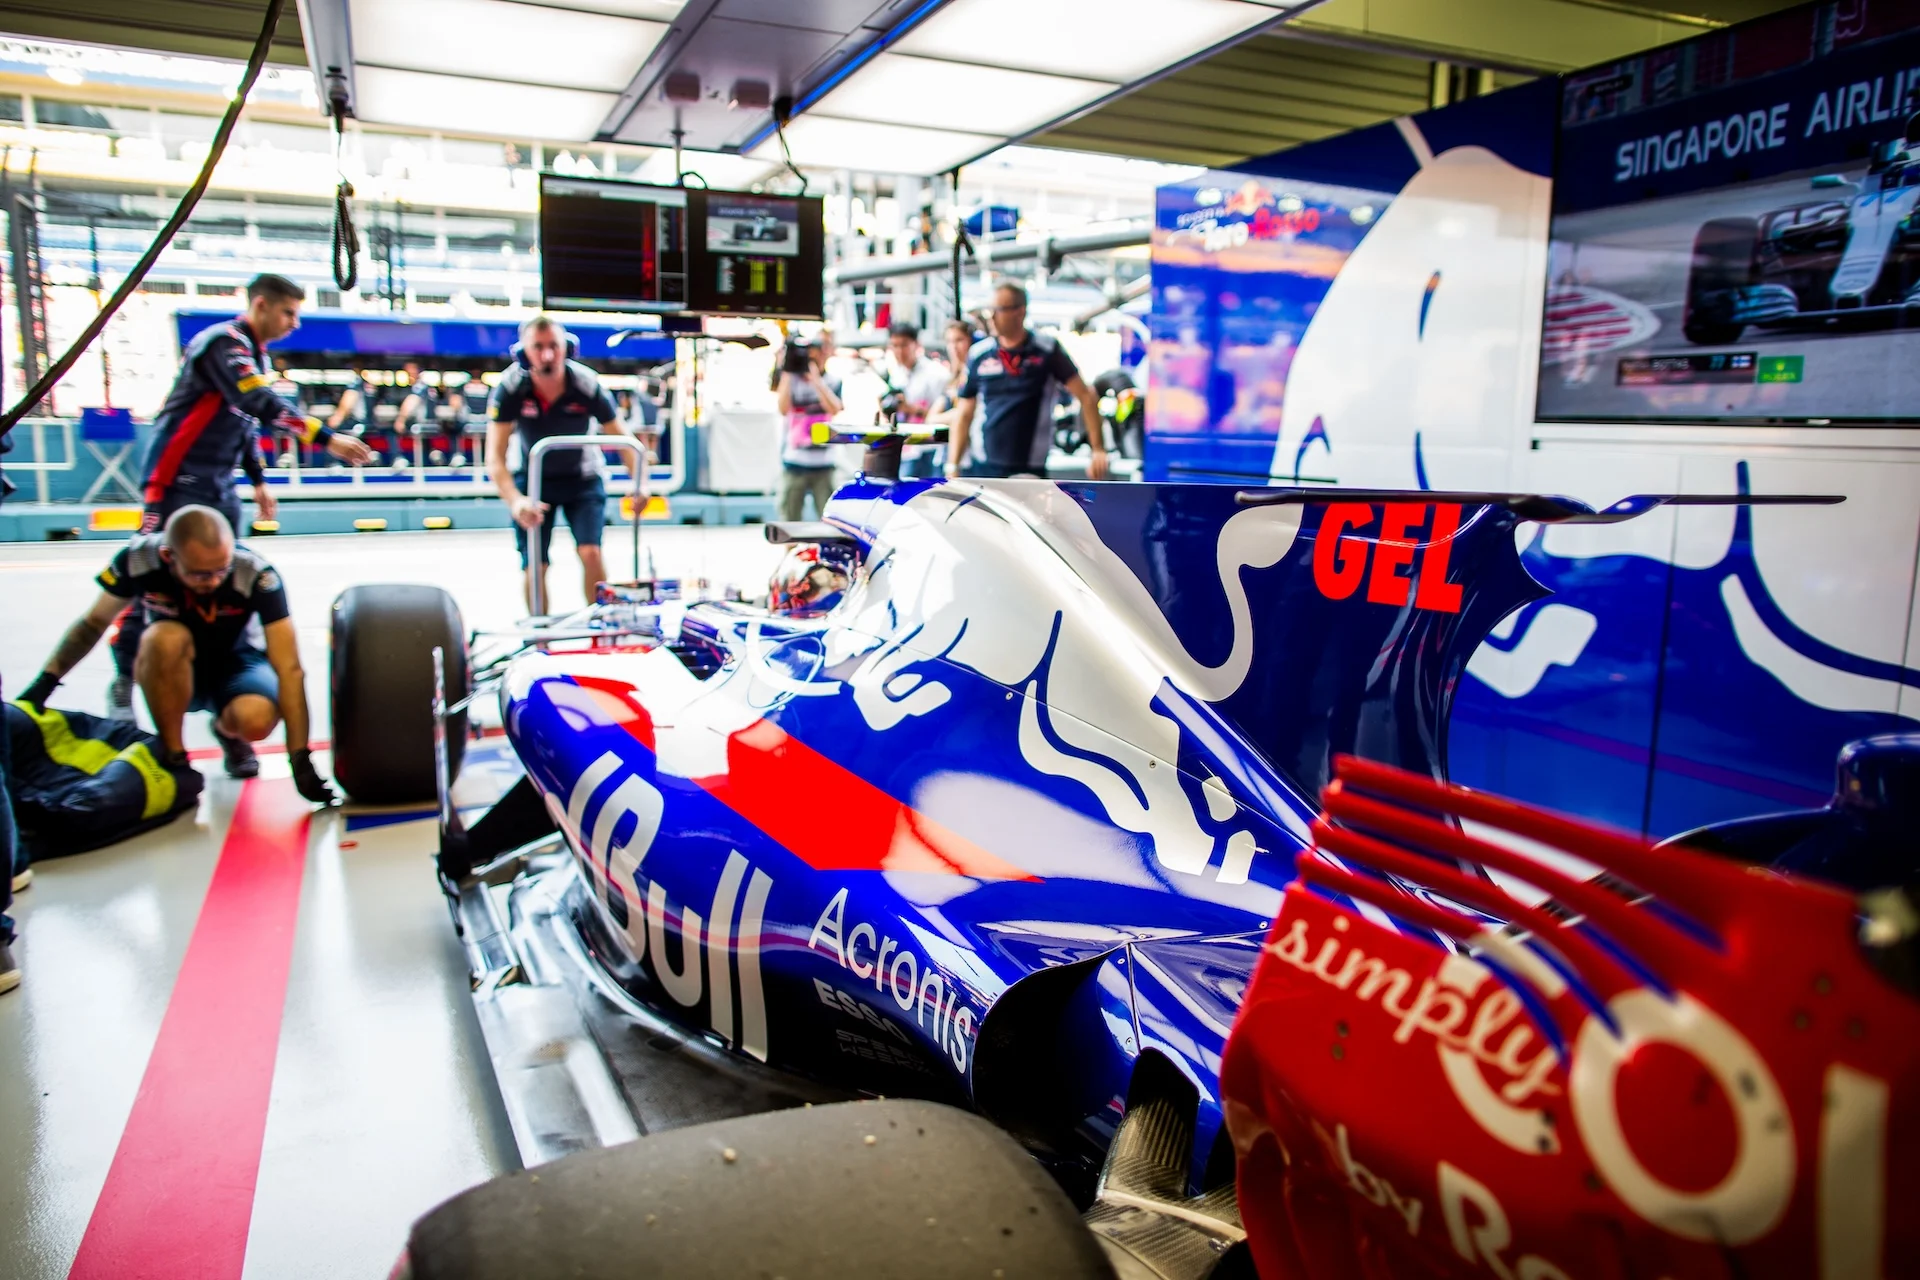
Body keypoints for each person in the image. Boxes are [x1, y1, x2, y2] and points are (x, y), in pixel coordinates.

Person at [112, 273, 372, 718]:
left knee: (224, 584)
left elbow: (243, 423)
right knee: (151, 584)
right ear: (260, 305)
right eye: (289, 312)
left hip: (218, 485)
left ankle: (225, 698)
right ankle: (125, 679)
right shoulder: (223, 343)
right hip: (174, 484)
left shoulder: (256, 355)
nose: (294, 323)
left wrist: (257, 479)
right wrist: (326, 438)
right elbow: (256, 402)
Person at [19, 506, 338, 802]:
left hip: (236, 663)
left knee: (256, 719)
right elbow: (93, 624)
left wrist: (300, 758)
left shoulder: (254, 572)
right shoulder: (137, 560)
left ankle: (227, 732)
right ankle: (174, 756)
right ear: (168, 556)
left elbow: (290, 668)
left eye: (220, 570)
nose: (213, 581)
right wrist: (46, 681)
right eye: (200, 574)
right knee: (164, 637)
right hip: (169, 666)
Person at [486, 315, 641, 612]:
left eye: (554, 346)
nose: (547, 355)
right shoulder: (510, 387)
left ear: (567, 348)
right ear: (523, 352)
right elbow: (495, 457)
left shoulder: (586, 383)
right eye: (538, 347)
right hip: (533, 482)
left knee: (591, 552)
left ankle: (602, 625)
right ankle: (538, 634)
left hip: (582, 479)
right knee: (535, 563)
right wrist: (516, 502)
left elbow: (624, 440)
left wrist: (640, 485)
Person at [946, 283, 1109, 482]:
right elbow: (964, 414)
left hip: (1030, 469)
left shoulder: (1047, 350)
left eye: (998, 310)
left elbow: (1087, 396)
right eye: (990, 311)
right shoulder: (979, 353)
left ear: (1019, 312)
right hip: (984, 467)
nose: (991, 317)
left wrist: (1098, 449)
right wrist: (952, 465)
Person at [776, 334, 843, 521]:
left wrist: (815, 379)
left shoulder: (832, 381)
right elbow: (782, 408)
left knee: (829, 520)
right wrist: (788, 369)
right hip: (794, 461)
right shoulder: (791, 380)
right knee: (790, 520)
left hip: (824, 463)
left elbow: (835, 408)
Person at [883, 322, 952, 478]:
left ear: (916, 345)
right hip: (906, 449)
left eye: (904, 345)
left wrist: (911, 409)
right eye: (895, 345)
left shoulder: (936, 374)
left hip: (930, 449)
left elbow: (945, 415)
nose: (900, 351)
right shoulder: (897, 374)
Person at [392, 360, 436, 469]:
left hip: (421, 423)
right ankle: (433, 453)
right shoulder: (429, 386)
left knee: (390, 429)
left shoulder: (419, 386)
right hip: (433, 424)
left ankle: (398, 457)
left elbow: (411, 402)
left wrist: (400, 420)